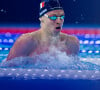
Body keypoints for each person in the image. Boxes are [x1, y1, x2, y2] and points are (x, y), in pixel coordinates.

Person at [6, 0, 79, 61]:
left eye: (62, 17)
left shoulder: (71, 43)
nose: (59, 21)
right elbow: (6, 70)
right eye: (53, 17)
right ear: (41, 18)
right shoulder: (26, 42)